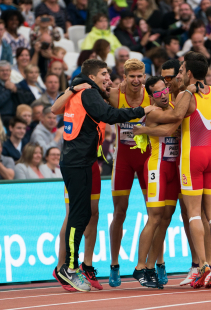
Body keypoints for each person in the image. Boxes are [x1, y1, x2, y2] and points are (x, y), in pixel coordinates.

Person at [132, 51, 211, 289]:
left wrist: (143, 129)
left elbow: (175, 118)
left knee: (194, 215)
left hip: (192, 157)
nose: (177, 76)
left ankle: (202, 266)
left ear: (189, 73)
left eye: (180, 72)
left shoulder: (186, 96)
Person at [50, 58, 156, 292]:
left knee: (86, 213)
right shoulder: (88, 93)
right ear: (92, 77)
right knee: (77, 216)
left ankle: (77, 266)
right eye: (104, 74)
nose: (108, 78)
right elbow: (108, 115)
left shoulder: (87, 91)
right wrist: (142, 110)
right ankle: (67, 267)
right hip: (77, 162)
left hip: (84, 161)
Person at [103, 58, 153, 287]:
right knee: (119, 213)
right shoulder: (115, 96)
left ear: (144, 76)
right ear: (124, 77)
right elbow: (95, 92)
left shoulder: (151, 95)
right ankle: (114, 264)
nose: (136, 80)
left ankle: (156, 263)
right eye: (131, 76)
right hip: (123, 160)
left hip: (146, 159)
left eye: (139, 76)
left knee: (155, 214)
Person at [133, 76, 180, 288]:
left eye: (165, 90)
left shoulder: (173, 106)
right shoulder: (152, 111)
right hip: (157, 167)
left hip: (172, 168)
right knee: (154, 218)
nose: (164, 95)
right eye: (158, 93)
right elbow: (168, 130)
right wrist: (183, 115)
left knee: (166, 218)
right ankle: (139, 267)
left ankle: (151, 265)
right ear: (151, 96)